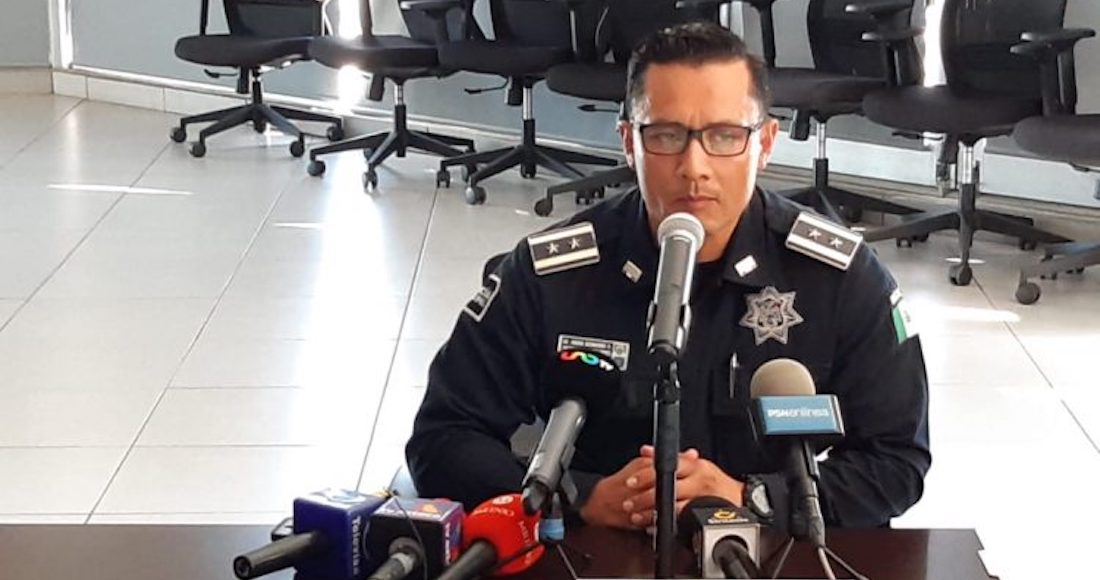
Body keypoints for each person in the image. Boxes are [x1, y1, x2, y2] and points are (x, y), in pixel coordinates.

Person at [406, 21, 930, 531]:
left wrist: (752, 497)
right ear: (628, 142)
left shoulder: (840, 278)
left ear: (766, 143)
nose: (694, 166)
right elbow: (442, 438)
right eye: (665, 135)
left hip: (771, 547)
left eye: (725, 135)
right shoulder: (551, 274)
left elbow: (897, 461)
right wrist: (579, 497)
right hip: (599, 548)